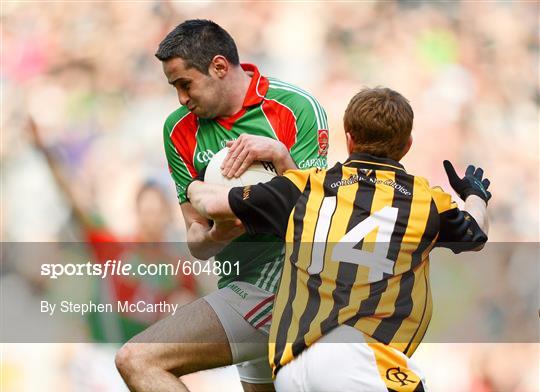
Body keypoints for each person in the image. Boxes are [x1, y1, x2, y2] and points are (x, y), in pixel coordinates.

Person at [186, 87, 491, 391]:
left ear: (349, 139)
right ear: (407, 145)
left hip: (291, 368)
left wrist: (193, 185)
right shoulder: (426, 201)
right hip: (356, 357)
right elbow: (476, 234)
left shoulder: (306, 185)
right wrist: (474, 194)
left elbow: (211, 204)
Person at [115, 19, 328, 391]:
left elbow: (318, 214)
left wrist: (280, 157)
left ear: (218, 66)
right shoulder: (177, 130)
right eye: (174, 87)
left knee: (138, 358)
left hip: (287, 280)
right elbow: (197, 244)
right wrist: (222, 231)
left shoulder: (295, 108)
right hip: (237, 282)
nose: (181, 98)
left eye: (186, 84)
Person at [27, 117, 198, 342]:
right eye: (146, 211)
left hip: (145, 357)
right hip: (103, 355)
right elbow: (75, 202)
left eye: (157, 212)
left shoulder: (180, 269)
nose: (152, 219)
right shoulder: (114, 248)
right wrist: (46, 153)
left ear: (168, 215)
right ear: (137, 211)